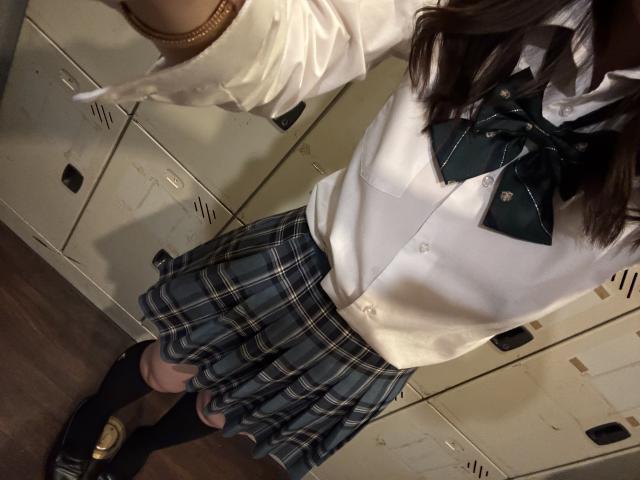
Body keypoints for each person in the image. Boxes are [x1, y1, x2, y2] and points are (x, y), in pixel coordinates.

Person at [48, 0, 640, 479]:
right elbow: (293, 45)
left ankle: (143, 447)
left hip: (385, 348)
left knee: (220, 411)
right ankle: (95, 413)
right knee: (166, 366)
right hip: (307, 258)